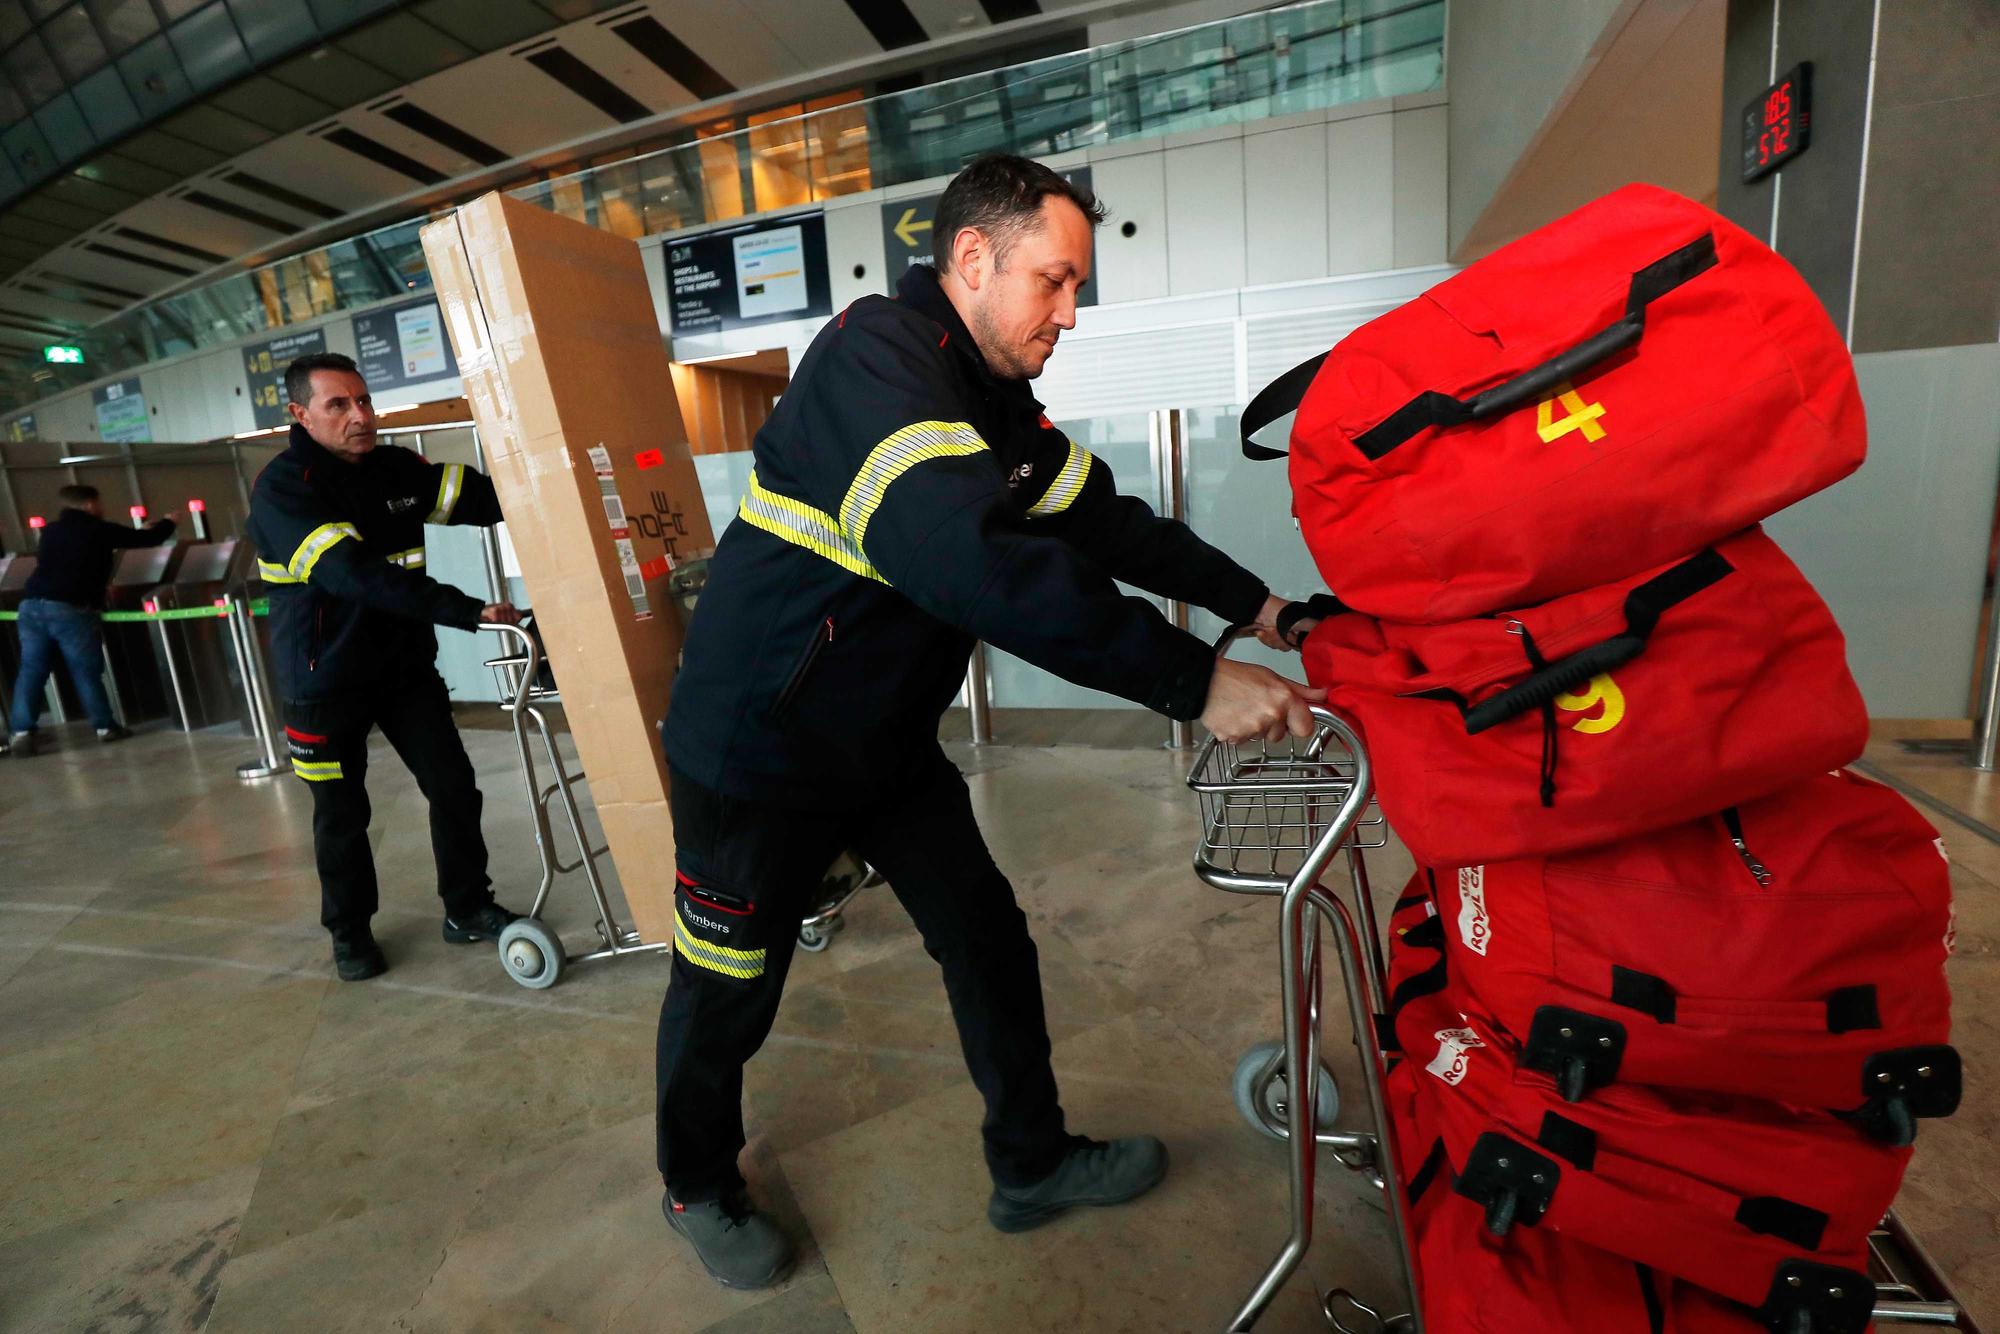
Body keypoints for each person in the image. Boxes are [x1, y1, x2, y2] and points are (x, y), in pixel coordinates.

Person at [654, 153, 1326, 1288]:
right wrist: (1193, 680)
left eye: (1075, 288)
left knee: (986, 939)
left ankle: (1030, 1160)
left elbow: (1110, 525)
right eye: (1054, 282)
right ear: (972, 258)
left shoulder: (992, 402)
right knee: (727, 984)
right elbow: (958, 559)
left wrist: (1254, 605)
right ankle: (693, 1180)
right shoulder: (873, 360)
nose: (1068, 313)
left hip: (878, 746)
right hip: (758, 748)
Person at [245, 352, 525, 982]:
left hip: (403, 671)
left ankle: (467, 907)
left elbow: (484, 498)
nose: (359, 416)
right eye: (338, 405)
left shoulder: (398, 469)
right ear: (300, 414)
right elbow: (349, 574)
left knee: (454, 786)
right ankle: (349, 933)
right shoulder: (286, 488)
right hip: (323, 680)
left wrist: (555, 479)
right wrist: (467, 610)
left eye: (364, 401)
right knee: (342, 814)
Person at [4, 485, 176, 756]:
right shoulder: (99, 530)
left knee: (31, 670)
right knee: (85, 671)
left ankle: (22, 733)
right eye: (98, 503)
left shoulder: (51, 531)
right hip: (70, 609)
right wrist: (169, 522)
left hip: (31, 606)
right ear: (88, 505)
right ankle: (105, 727)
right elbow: (148, 540)